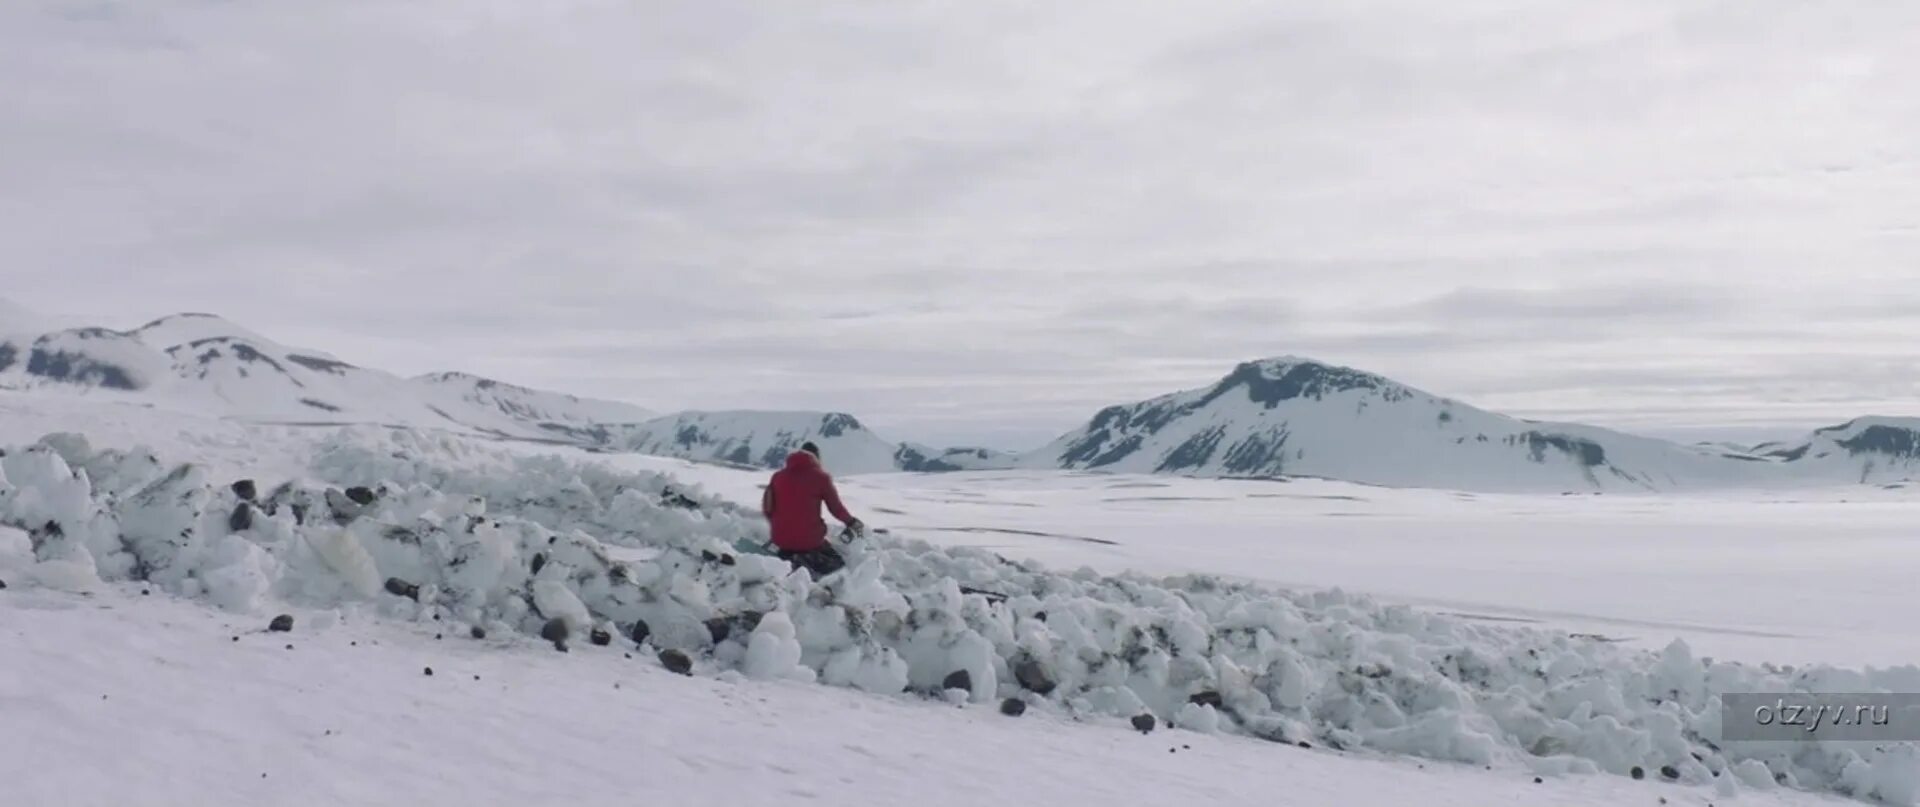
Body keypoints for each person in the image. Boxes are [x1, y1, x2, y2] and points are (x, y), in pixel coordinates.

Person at [761, 441, 863, 578]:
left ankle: (789, 558)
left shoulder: (777, 477)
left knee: (792, 544)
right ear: (816, 459)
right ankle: (802, 562)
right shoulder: (822, 478)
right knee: (839, 567)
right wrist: (852, 522)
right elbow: (835, 508)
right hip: (810, 542)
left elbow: (767, 508)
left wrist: (779, 526)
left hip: (780, 540)